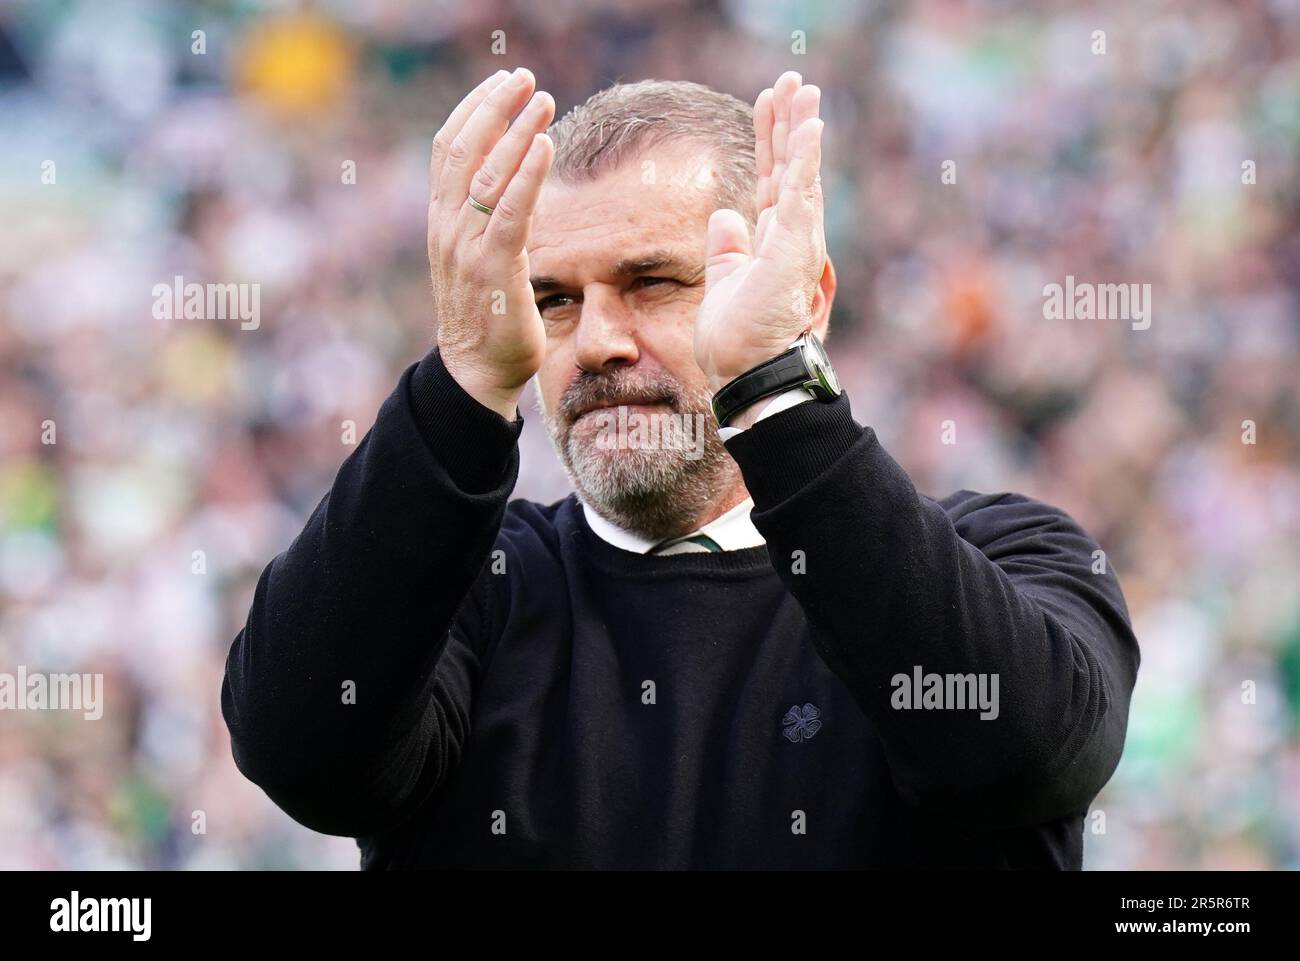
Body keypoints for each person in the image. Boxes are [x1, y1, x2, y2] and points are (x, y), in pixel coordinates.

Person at [221, 68, 1140, 869]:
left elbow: (1018, 754)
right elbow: (300, 749)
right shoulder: (471, 590)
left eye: (654, 281)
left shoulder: (1012, 555)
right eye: (553, 299)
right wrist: (461, 383)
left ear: (805, 296)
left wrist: (775, 391)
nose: (598, 342)